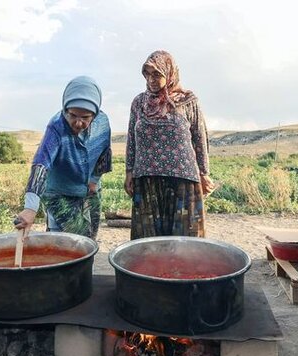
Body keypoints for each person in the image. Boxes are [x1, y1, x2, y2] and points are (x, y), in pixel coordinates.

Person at [123, 50, 215, 240]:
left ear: (169, 73)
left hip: (183, 178)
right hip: (147, 179)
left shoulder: (188, 101)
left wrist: (204, 173)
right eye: (147, 74)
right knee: (148, 242)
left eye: (157, 74)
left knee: (186, 241)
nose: (151, 79)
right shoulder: (139, 102)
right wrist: (129, 171)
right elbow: (132, 137)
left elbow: (200, 137)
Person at [14, 76, 112, 240]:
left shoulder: (102, 122)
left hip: (90, 190)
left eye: (85, 117)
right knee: (68, 240)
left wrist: (94, 179)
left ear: (95, 114)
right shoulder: (57, 126)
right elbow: (41, 164)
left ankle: (86, 266)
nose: (78, 123)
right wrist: (30, 208)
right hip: (60, 194)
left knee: (89, 239)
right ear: (65, 109)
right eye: (73, 115)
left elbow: (104, 152)